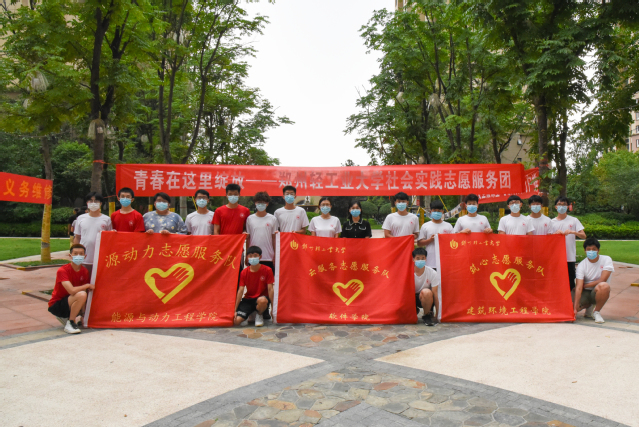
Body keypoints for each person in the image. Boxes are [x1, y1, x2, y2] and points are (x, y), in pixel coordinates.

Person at [48, 244, 94, 334]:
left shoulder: (84, 271)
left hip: (71, 301)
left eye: (81, 254)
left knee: (84, 296)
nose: (78, 256)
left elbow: (83, 293)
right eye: (75, 253)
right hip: (57, 304)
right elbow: (72, 291)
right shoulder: (63, 270)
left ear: (85, 256)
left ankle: (68, 318)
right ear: (70, 255)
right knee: (82, 294)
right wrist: (87, 285)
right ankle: (71, 322)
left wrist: (83, 315)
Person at [550, 196, 586, 291]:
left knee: (570, 282)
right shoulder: (551, 222)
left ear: (568, 206)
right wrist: (554, 234)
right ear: (555, 207)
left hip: (569, 257)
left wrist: (572, 232)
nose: (562, 207)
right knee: (556, 281)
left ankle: (571, 299)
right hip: (556, 257)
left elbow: (583, 235)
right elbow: (547, 239)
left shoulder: (574, 220)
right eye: (559, 204)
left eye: (564, 204)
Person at [573, 237, 612, 324]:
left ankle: (596, 311)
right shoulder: (582, 265)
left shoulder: (606, 260)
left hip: (597, 290)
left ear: (598, 250)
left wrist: (585, 285)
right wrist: (575, 309)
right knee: (570, 306)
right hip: (585, 291)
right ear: (585, 251)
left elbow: (603, 279)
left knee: (604, 286)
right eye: (588, 249)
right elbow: (579, 287)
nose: (591, 251)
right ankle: (588, 306)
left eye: (594, 249)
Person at [234, 246, 274, 327]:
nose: (253, 258)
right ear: (247, 257)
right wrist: (235, 310)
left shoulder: (267, 270)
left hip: (261, 299)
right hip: (248, 299)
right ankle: (252, 312)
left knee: (262, 300)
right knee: (236, 321)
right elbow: (241, 291)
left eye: (255, 255)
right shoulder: (244, 272)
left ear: (260, 257)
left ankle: (259, 314)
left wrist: (273, 309)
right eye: (250, 256)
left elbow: (270, 289)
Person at [74, 192, 112, 276]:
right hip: (84, 257)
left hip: (100, 258)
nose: (93, 203)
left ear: (101, 203)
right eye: (91, 201)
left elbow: (110, 239)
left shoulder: (106, 219)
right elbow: (77, 237)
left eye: (96, 201)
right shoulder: (80, 218)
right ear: (87, 203)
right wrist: (75, 253)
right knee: (83, 279)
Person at [245, 192, 279, 273]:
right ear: (255, 203)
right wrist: (247, 254)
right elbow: (248, 238)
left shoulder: (272, 219)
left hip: (269, 257)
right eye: (258, 202)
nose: (260, 205)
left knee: (269, 280)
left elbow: (274, 239)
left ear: (267, 204)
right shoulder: (250, 219)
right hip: (253, 257)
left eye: (263, 202)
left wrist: (275, 255)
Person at [417, 200, 453, 269]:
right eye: (434, 210)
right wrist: (430, 240)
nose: (437, 212)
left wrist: (444, 239)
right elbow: (419, 243)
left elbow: (454, 241)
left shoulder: (448, 226)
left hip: (444, 261)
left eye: (439, 211)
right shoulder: (425, 226)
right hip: (430, 261)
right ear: (430, 211)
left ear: (442, 211)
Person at [413, 247, 439, 326]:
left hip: (426, 298)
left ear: (426, 259)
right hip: (411, 298)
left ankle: (427, 315)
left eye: (422, 258)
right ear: (413, 259)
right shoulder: (408, 272)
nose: (420, 260)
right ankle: (413, 311)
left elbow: (435, 294)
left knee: (427, 292)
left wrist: (438, 314)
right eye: (418, 258)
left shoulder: (432, 273)